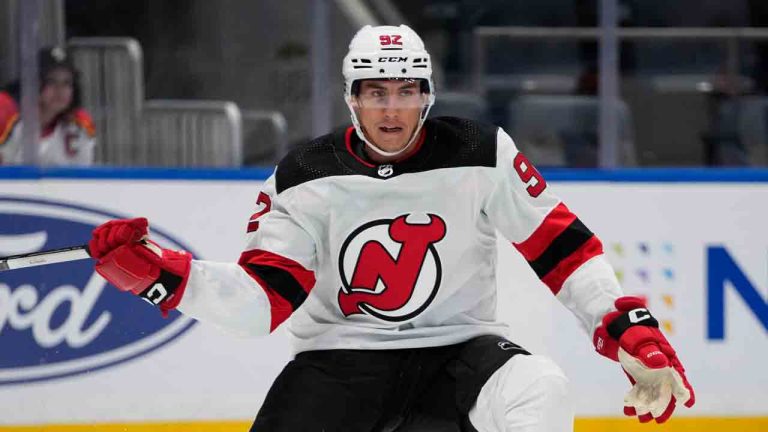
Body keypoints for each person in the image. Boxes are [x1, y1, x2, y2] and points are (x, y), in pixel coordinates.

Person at [86, 25, 694, 431]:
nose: (391, 109)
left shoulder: (480, 152)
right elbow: (263, 303)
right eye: (375, 92)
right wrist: (162, 277)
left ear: (426, 95)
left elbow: (564, 251)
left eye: (406, 91)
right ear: (351, 98)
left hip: (460, 355)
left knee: (542, 386)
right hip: (339, 362)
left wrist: (630, 333)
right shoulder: (304, 174)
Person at [0, 46, 96, 165]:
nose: (60, 90)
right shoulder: (5, 110)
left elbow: (82, 177)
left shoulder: (81, 124)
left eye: (67, 83)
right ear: (31, 83)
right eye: (51, 81)